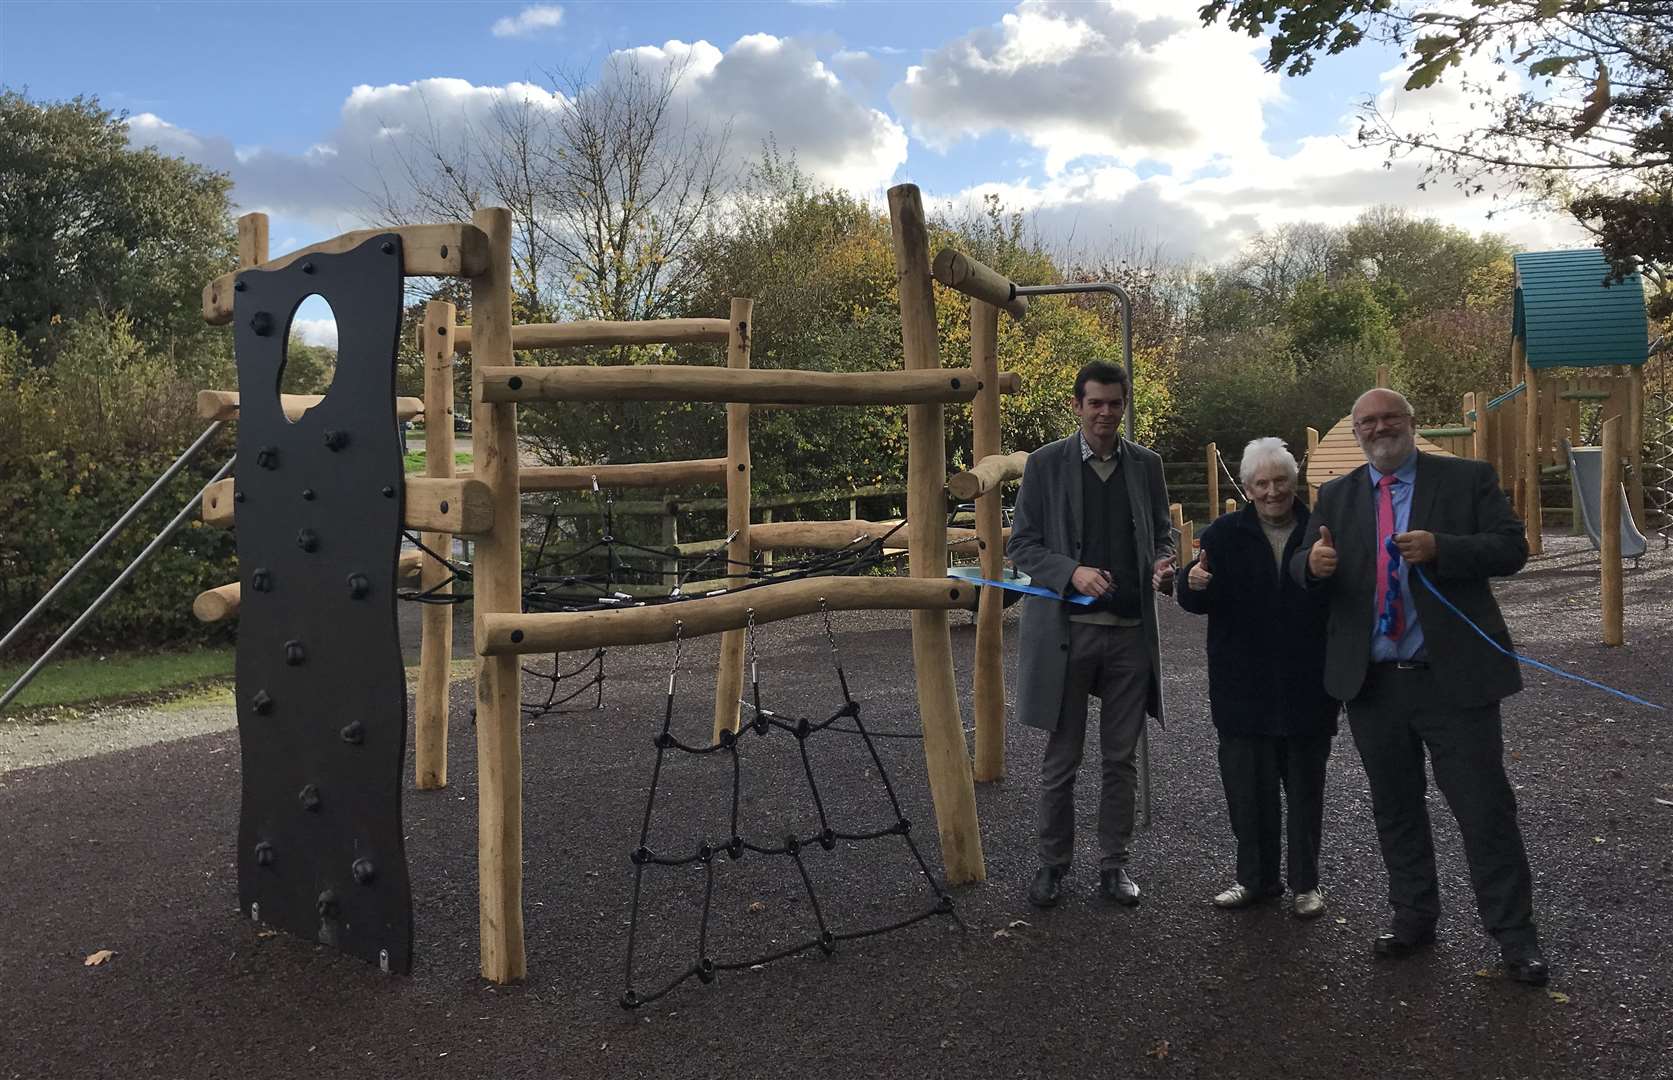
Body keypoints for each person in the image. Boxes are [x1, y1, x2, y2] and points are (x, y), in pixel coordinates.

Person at [1290, 388, 1548, 985]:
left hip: (1452, 681)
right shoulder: (1338, 494)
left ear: (1410, 424)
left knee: (1484, 812)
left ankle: (1515, 938)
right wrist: (1311, 566)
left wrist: (1443, 549)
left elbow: (1515, 548)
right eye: (1368, 422)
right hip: (1374, 683)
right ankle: (1413, 918)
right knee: (1396, 809)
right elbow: (1303, 561)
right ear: (1355, 432)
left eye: (1390, 419)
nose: (1380, 428)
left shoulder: (1465, 479)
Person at [1007, 360, 1176, 910]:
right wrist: (1070, 572)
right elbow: (1023, 546)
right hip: (1068, 634)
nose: (1106, 413)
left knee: (1120, 760)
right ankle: (1052, 865)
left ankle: (1114, 865)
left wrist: (1161, 562)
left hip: (1130, 633)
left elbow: (1162, 533)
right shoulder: (1045, 465)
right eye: (1096, 403)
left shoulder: (1145, 465)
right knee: (1061, 761)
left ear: (1124, 406)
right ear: (1077, 406)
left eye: (1115, 403)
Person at [1177, 437, 1338, 919]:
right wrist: (1191, 581)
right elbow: (1194, 593)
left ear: (1295, 482)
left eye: (1281, 481)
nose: (1272, 492)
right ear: (1246, 487)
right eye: (1262, 483)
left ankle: (1306, 885)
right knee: (1248, 793)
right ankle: (1254, 879)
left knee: (1306, 792)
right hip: (1241, 686)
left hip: (1308, 685)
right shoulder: (1223, 534)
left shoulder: (1322, 530)